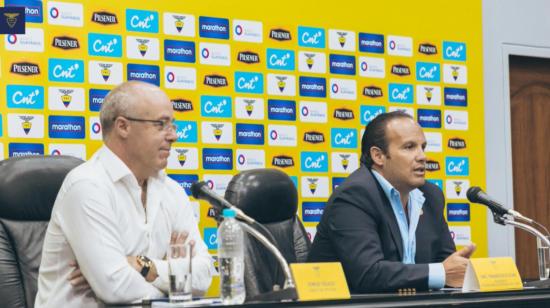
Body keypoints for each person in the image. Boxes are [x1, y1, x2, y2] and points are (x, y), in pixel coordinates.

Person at [36, 81, 215, 307]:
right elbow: (116, 287)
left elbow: (204, 276)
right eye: (161, 124)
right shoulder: (87, 186)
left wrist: (143, 265)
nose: (173, 136)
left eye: (173, 125)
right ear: (123, 126)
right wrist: (175, 281)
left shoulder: (172, 191)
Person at [307, 111, 476, 292]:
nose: (422, 156)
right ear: (378, 156)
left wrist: (458, 270)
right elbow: (367, 274)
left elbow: (447, 265)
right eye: (409, 147)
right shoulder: (354, 196)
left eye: (423, 147)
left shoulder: (430, 196)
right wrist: (441, 273)